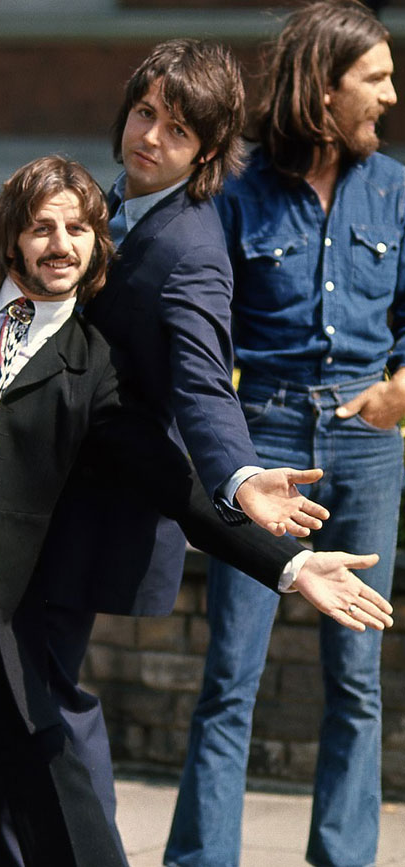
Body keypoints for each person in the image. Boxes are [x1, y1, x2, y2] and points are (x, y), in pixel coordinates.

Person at [0, 154, 393, 867]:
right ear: (11, 238)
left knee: (44, 751)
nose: (60, 243)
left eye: (77, 228)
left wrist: (289, 562)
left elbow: (178, 486)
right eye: (42, 227)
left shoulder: (94, 365)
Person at [166, 4, 405, 866]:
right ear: (324, 86)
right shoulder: (236, 190)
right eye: (373, 77)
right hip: (266, 438)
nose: (388, 92)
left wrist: (397, 395)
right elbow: (202, 323)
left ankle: (344, 856)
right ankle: (202, 858)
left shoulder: (397, 187)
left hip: (370, 442)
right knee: (231, 675)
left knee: (357, 675)